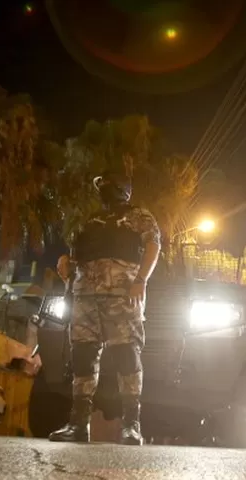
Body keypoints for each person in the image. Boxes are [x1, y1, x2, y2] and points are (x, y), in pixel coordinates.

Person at [49, 171, 161, 445]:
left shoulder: (139, 215)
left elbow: (153, 245)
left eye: (108, 185)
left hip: (122, 295)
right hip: (85, 295)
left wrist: (141, 280)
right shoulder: (91, 220)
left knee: (126, 354)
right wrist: (66, 264)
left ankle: (131, 425)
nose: (103, 191)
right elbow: (79, 253)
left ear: (122, 188)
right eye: (100, 186)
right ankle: (77, 424)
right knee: (83, 356)